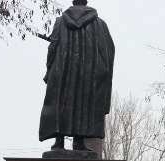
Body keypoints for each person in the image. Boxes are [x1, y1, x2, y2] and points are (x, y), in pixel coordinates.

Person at [39, 0, 115, 151]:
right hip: (88, 74)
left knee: (60, 103)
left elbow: (52, 47)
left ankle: (58, 142)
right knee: (83, 104)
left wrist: (49, 70)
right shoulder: (100, 24)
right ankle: (79, 142)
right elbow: (108, 51)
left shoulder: (61, 22)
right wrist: (102, 73)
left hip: (62, 72)